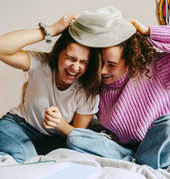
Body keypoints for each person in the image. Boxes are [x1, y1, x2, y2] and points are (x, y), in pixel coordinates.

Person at [65, 6, 170, 169]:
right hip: (124, 150)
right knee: (76, 138)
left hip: (158, 146)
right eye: (99, 63)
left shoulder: (157, 68)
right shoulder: (95, 82)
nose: (102, 71)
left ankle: (140, 163)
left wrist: (148, 31)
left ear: (130, 59)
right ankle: (140, 165)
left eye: (112, 65)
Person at [0, 15, 101, 163]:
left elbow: (78, 137)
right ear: (58, 54)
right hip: (18, 125)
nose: (75, 66)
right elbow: (2, 48)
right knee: (25, 159)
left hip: (53, 140)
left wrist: (60, 124)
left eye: (83, 62)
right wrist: (51, 30)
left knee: (55, 164)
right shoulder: (41, 64)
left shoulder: (88, 91)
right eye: (71, 58)